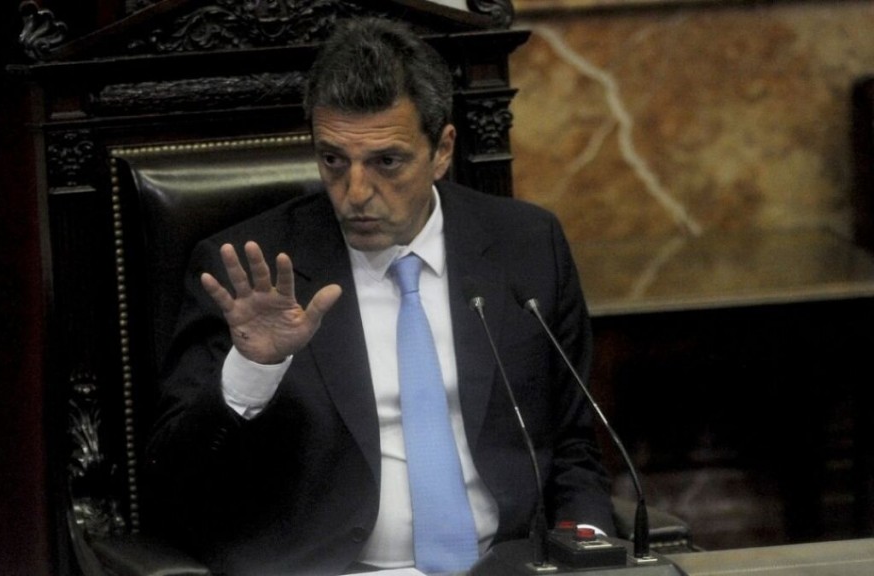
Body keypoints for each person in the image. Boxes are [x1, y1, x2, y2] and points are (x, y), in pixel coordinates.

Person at [144, 17, 614, 576]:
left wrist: (590, 548)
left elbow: (573, 444)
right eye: (333, 160)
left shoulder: (527, 246)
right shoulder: (251, 271)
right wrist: (252, 369)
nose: (356, 193)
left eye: (386, 162)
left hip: (508, 564)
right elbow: (173, 478)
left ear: (442, 150)